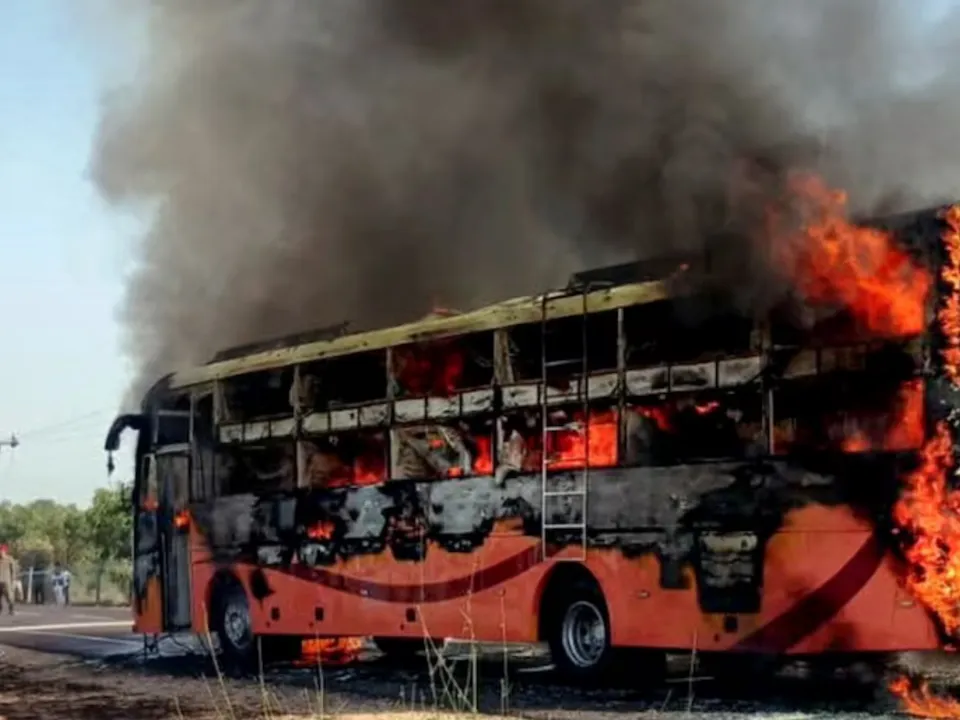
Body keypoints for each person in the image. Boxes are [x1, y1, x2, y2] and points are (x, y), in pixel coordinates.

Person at [0, 546, 16, 615]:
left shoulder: (9, 559)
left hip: (7, 581)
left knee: (9, 596)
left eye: (2, 551)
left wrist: (13, 579)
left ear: (5, 552)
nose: (1, 553)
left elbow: (13, 570)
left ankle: (11, 609)